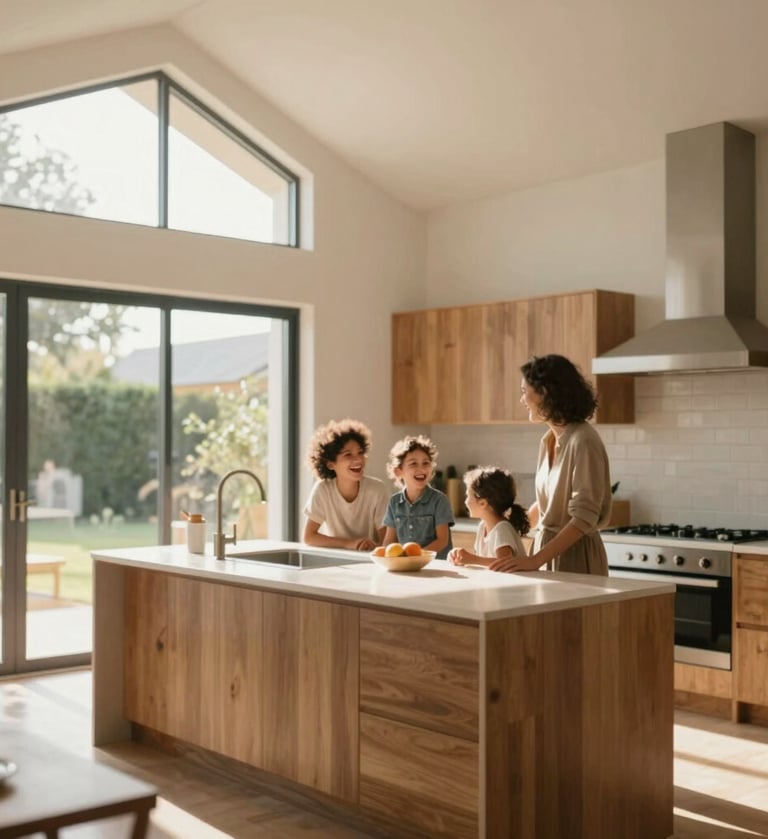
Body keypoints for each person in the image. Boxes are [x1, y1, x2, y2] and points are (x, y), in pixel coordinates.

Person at [490, 354, 612, 575]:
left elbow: (583, 518)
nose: (522, 400)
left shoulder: (584, 441)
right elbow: (549, 503)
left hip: (575, 557)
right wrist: (509, 530)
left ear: (546, 393)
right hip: (547, 552)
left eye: (524, 392)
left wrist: (535, 560)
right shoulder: (549, 439)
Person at [303, 418, 389, 551]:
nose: (358, 459)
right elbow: (309, 537)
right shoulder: (323, 490)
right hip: (336, 560)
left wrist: (369, 547)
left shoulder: (377, 490)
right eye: (348, 455)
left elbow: (386, 543)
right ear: (330, 464)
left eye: (360, 452)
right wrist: (349, 543)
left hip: (370, 559)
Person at [382, 435, 454, 558]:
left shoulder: (439, 500)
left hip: (437, 568)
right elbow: (389, 541)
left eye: (426, 463)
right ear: (398, 471)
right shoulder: (394, 502)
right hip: (408, 567)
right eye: (413, 464)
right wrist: (384, 556)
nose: (421, 468)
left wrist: (415, 557)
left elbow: (442, 541)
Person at [447, 467, 529, 567]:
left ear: (483, 503)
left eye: (468, 496)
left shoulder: (502, 529)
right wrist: (461, 558)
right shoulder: (483, 526)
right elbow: (483, 563)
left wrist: (472, 559)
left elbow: (505, 564)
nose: (465, 501)